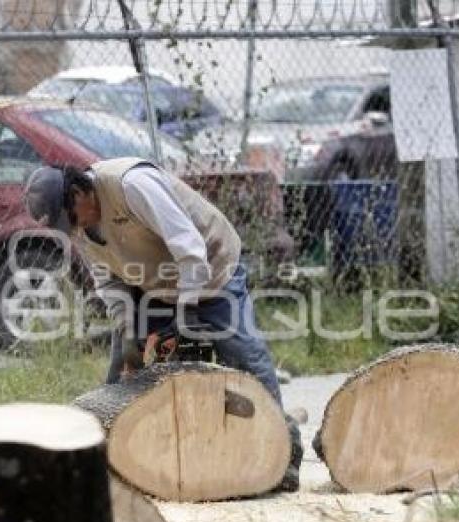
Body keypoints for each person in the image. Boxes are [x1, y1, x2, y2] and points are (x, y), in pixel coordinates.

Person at [22, 157, 302, 492]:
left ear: (79, 192)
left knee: (243, 351)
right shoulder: (79, 226)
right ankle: (111, 460)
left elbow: (189, 247)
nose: (75, 230)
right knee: (122, 366)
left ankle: (283, 455)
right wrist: (128, 331)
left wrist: (184, 313)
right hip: (154, 281)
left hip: (208, 266)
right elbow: (108, 280)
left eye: (72, 219)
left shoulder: (132, 186)